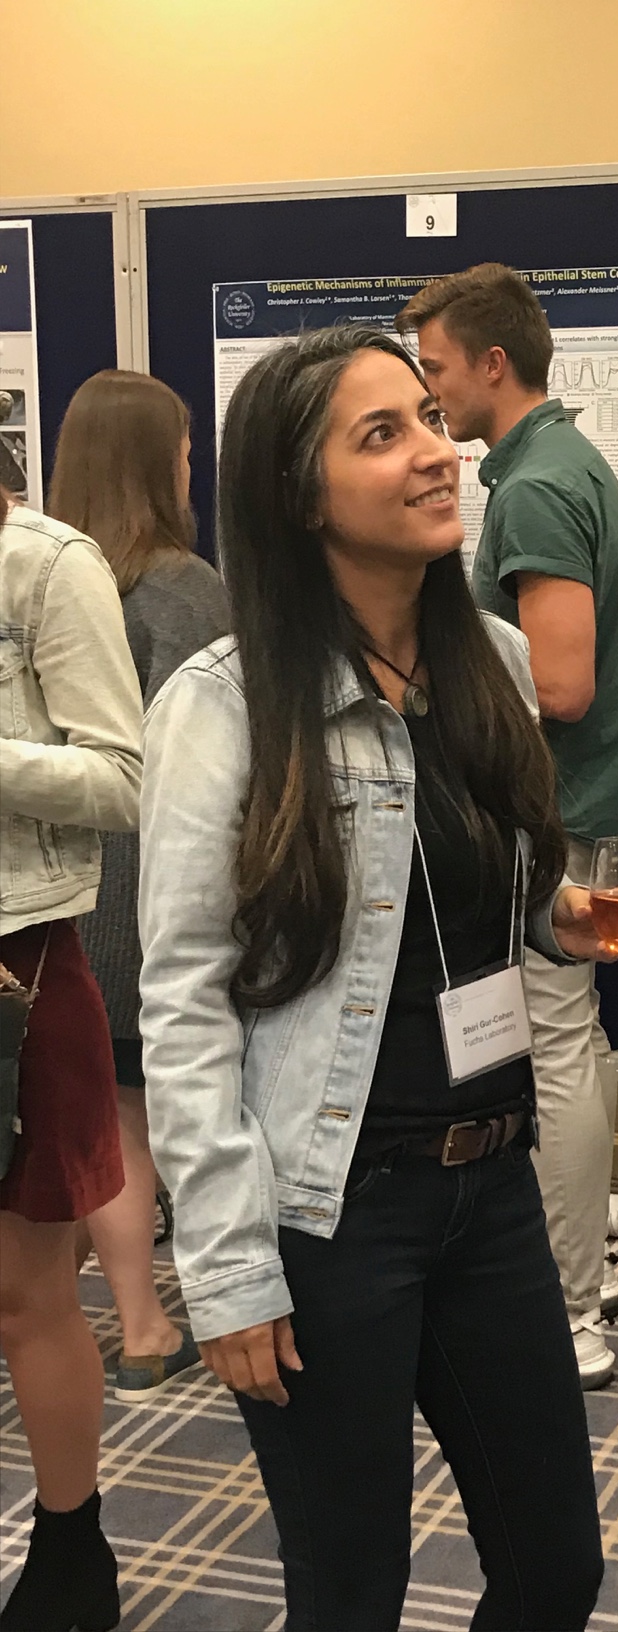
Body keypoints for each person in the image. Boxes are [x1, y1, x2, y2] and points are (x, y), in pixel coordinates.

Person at [139, 325, 618, 1630]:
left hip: (491, 1188)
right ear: (298, 493)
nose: (437, 452)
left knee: (555, 1570)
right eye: (383, 435)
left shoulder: (493, 661)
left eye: (430, 419)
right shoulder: (227, 703)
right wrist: (226, 1266)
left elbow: (487, 892)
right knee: (352, 1593)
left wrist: (566, 921)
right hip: (330, 1212)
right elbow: (186, 999)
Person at [399, 265, 618, 1389]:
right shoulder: (557, 464)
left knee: (553, 1054)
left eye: (437, 370)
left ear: (493, 364)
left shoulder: (538, 488)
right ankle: (575, 1283)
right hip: (572, 813)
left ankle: (571, 1313)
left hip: (557, 821)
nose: (429, 395)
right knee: (570, 1050)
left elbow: (558, 687)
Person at [47, 369, 229, 1402]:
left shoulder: (41, 585)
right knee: (165, 1109)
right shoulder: (188, 594)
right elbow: (216, 769)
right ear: (161, 463)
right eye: (187, 449)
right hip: (155, 895)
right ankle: (173, 1318)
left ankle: (108, 1317)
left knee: (99, 1111)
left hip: (57, 897)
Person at [0, 486, 143, 1631]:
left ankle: (70, 1553)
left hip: (17, 969)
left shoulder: (48, 566)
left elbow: (121, 780)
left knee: (25, 1295)